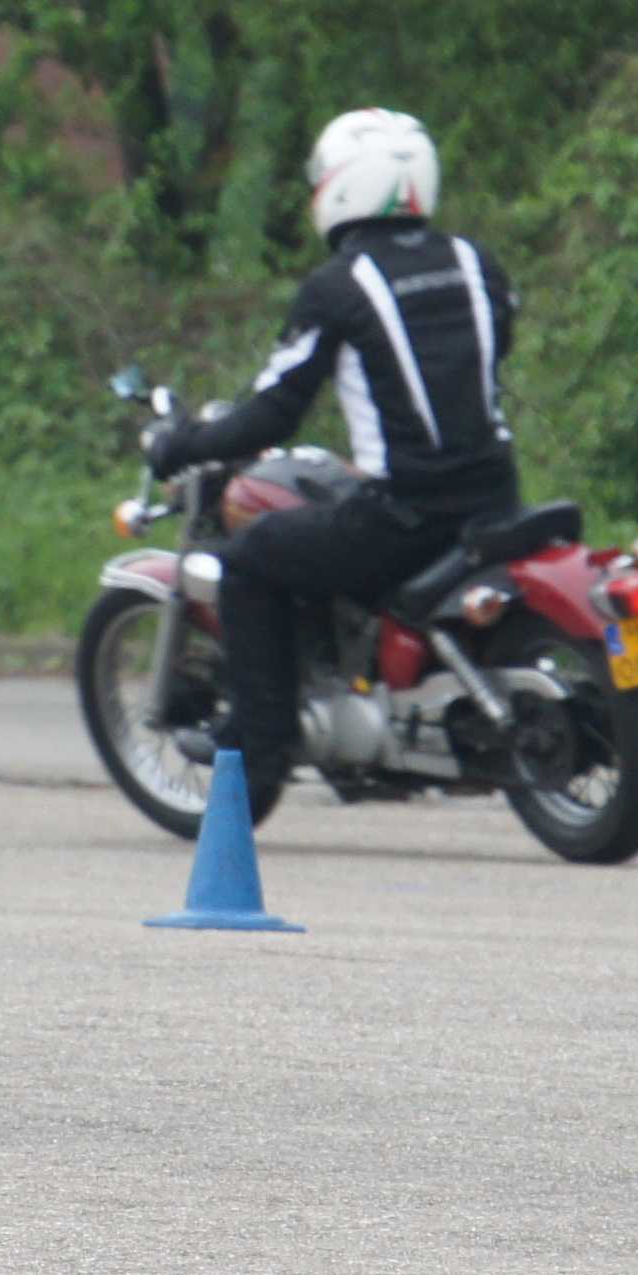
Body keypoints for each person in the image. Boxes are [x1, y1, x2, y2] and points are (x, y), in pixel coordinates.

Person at [143, 107, 523, 783]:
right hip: (498, 502)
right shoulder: (476, 263)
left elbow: (274, 412)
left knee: (251, 561)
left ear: (342, 186)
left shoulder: (338, 287)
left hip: (406, 519)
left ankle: (258, 746)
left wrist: (184, 444)